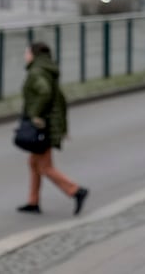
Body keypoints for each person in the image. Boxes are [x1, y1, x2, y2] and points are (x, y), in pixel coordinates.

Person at [18, 42, 89, 215]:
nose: (25, 55)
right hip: (49, 123)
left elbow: (45, 92)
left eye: (26, 52)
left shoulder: (36, 72)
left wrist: (35, 114)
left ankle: (75, 190)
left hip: (43, 126)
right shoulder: (47, 70)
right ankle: (33, 201)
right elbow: (59, 99)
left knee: (44, 166)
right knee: (34, 163)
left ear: (34, 54)